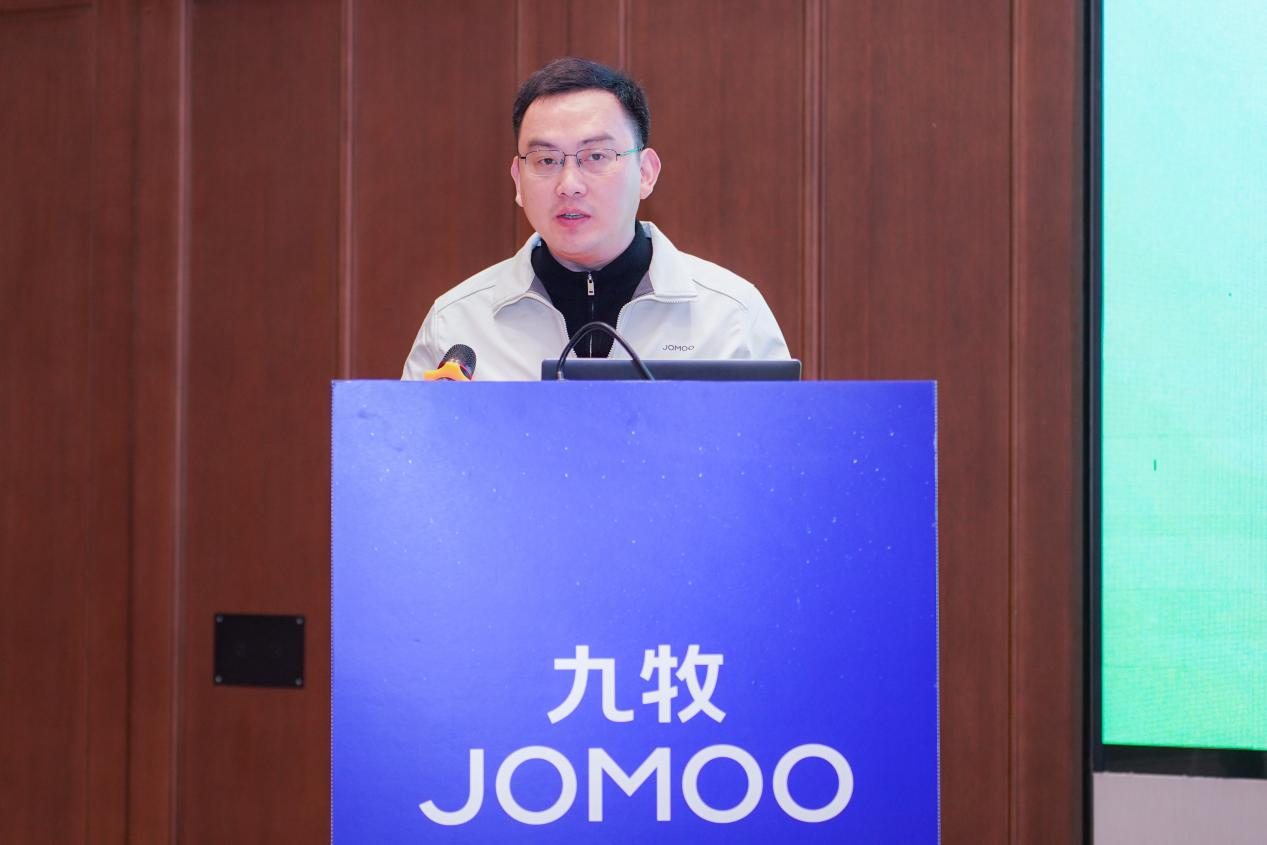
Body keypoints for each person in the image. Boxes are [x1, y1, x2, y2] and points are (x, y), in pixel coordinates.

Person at [402, 57, 790, 381]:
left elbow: (779, 448)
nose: (569, 185)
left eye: (597, 156)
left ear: (646, 173)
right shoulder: (457, 324)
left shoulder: (730, 317)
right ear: (518, 181)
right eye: (546, 160)